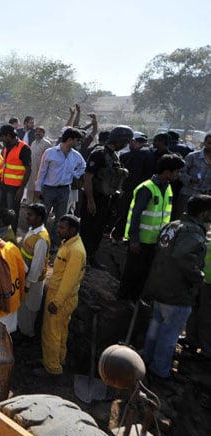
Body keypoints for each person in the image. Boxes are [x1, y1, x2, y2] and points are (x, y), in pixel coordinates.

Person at [142, 195, 211, 380]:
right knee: (169, 335)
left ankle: (145, 361)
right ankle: (160, 370)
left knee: (155, 329)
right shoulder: (192, 232)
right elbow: (181, 256)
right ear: (204, 212)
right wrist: (198, 276)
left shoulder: (173, 225)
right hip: (177, 292)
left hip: (160, 286)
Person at [118, 155, 185, 301]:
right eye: (177, 172)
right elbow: (136, 215)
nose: (178, 175)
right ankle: (123, 299)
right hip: (140, 240)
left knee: (145, 272)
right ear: (167, 172)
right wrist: (134, 239)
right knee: (133, 271)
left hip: (155, 240)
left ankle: (136, 298)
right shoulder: (147, 188)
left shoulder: (167, 188)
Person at [34, 215, 86, 378]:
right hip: (62, 298)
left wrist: (56, 302)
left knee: (51, 333)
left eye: (62, 228)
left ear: (72, 230)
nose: (58, 230)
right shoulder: (69, 244)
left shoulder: (75, 251)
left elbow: (69, 281)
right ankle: (59, 359)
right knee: (61, 331)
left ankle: (52, 368)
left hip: (60, 299)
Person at [80, 125, 133, 268]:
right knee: (87, 229)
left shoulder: (114, 156)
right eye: (125, 142)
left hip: (106, 198)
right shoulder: (99, 154)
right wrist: (90, 201)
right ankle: (81, 258)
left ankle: (91, 256)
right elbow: (88, 177)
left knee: (98, 229)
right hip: (94, 197)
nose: (126, 145)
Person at [35, 128, 86, 255]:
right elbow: (42, 171)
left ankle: (54, 244)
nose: (78, 143)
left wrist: (75, 174)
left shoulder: (75, 155)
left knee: (60, 218)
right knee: (43, 215)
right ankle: (38, 240)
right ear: (70, 140)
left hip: (65, 190)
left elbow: (83, 166)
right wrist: (38, 189)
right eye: (77, 140)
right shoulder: (50, 152)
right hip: (49, 189)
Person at [17, 204, 51, 339]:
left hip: (32, 281)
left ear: (40, 218)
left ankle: (27, 334)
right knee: (23, 307)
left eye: (30, 215)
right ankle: (22, 330)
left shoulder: (41, 239)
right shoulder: (32, 231)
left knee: (30, 308)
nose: (27, 217)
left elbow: (37, 266)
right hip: (25, 277)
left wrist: (27, 285)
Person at [0, 124, 32, 231]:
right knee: (0, 211)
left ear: (8, 136)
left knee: (12, 214)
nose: (1, 139)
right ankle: (0, 234)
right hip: (3, 185)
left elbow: (28, 169)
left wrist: (21, 189)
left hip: (15, 188)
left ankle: (11, 237)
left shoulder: (24, 148)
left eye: (3, 137)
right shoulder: (7, 146)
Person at [185, 237, 211, 360]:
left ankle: (206, 350)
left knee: (205, 317)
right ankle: (192, 341)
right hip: (202, 280)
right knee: (194, 311)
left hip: (207, 283)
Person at [176, 133, 211, 219]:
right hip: (188, 194)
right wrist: (190, 179)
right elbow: (179, 173)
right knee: (182, 219)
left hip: (205, 197)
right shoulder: (193, 156)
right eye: (210, 143)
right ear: (204, 143)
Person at [25, 126, 53, 203]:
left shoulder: (46, 144)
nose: (37, 133)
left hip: (41, 171)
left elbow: (49, 159)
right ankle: (29, 203)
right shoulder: (33, 143)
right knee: (30, 188)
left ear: (43, 133)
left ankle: (37, 205)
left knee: (39, 189)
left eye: (40, 131)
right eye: (36, 131)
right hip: (32, 170)